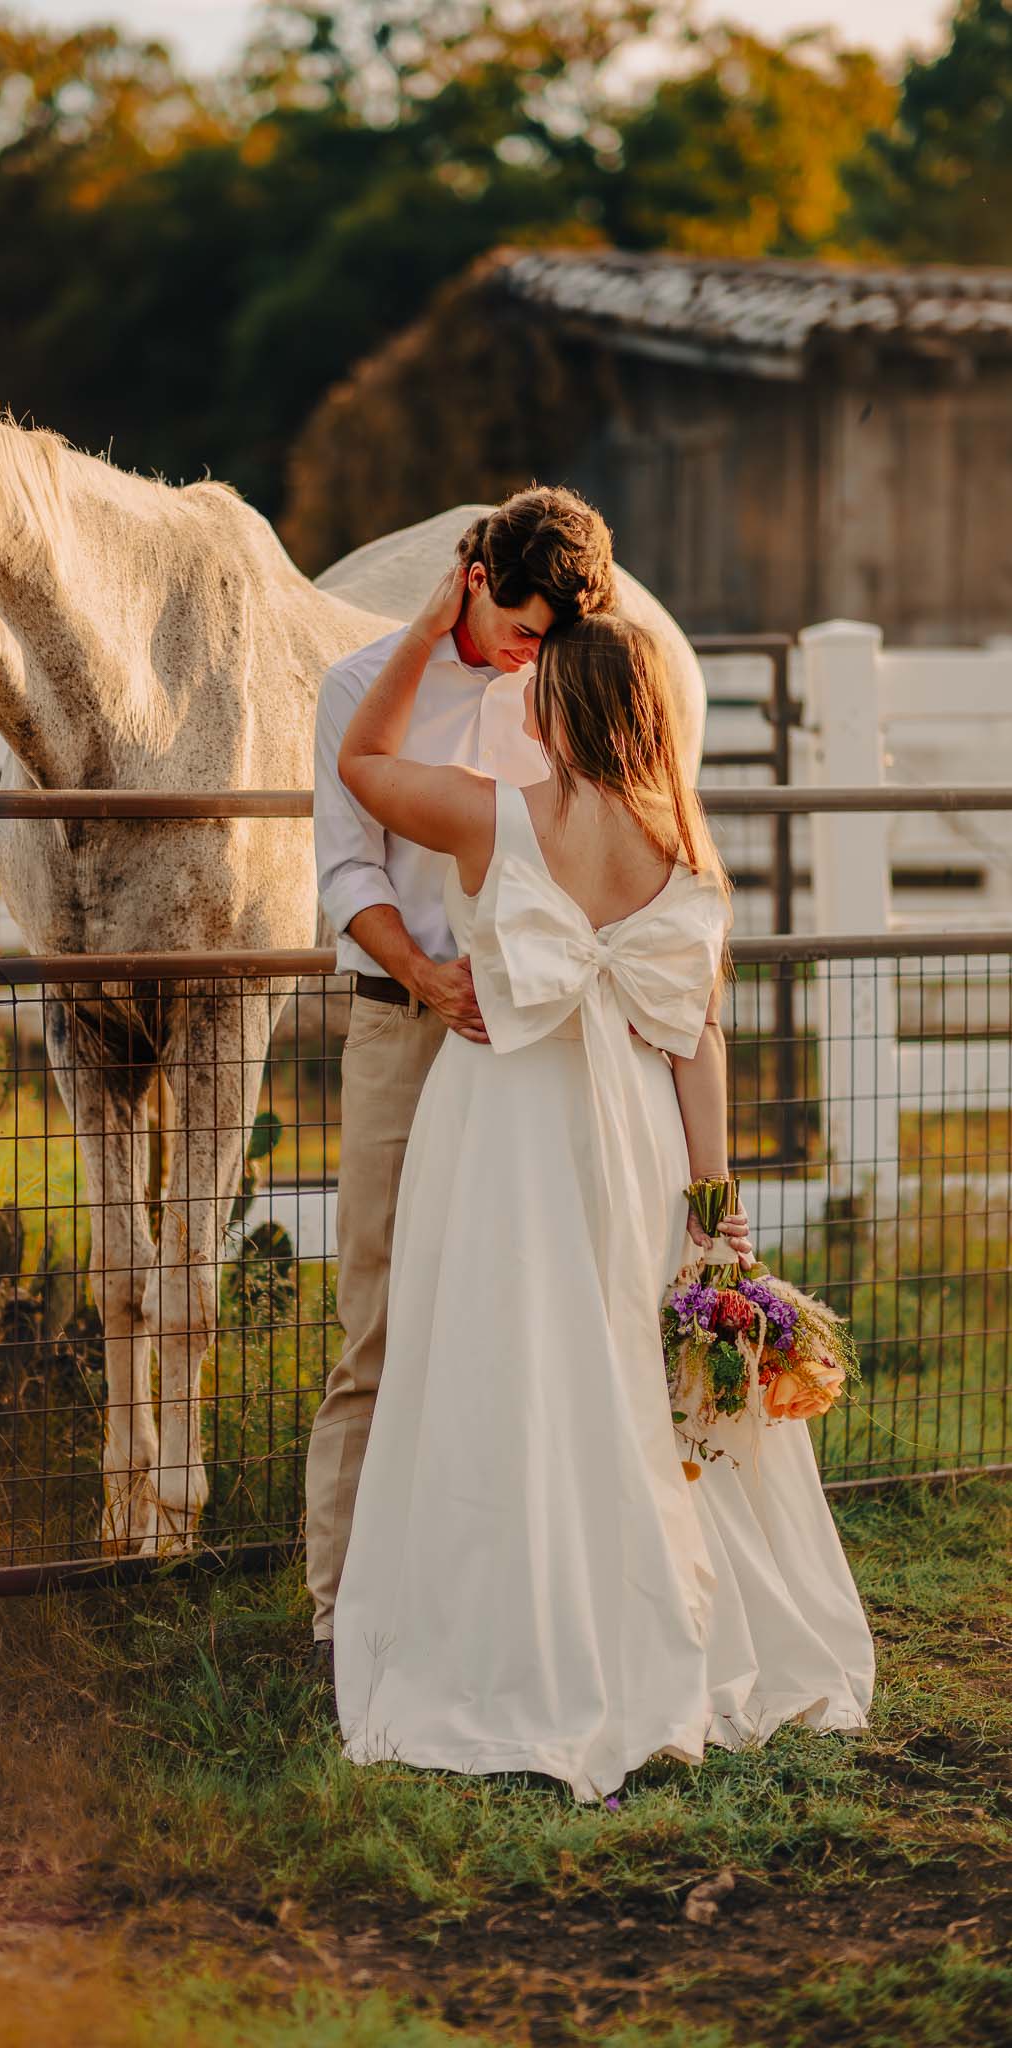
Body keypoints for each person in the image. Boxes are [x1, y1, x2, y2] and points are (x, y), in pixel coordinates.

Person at [327, 569, 874, 1798]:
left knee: (505, 1366)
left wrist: (426, 628)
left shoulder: (493, 815)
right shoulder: (684, 848)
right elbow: (700, 1035)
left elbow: (362, 765)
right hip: (633, 1137)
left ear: (562, 707)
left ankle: (514, 1627)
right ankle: (649, 1618)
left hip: (506, 1132)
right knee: (626, 1369)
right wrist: (712, 1203)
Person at [305, 486, 706, 1661]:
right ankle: (341, 1604)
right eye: (522, 629)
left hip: (537, 1046)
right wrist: (426, 977)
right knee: (377, 1319)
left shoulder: (562, 694)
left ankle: (496, 1589)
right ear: (473, 582)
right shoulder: (357, 687)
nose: (534, 655)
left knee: (529, 1320)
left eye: (553, 639)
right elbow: (345, 866)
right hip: (407, 1021)